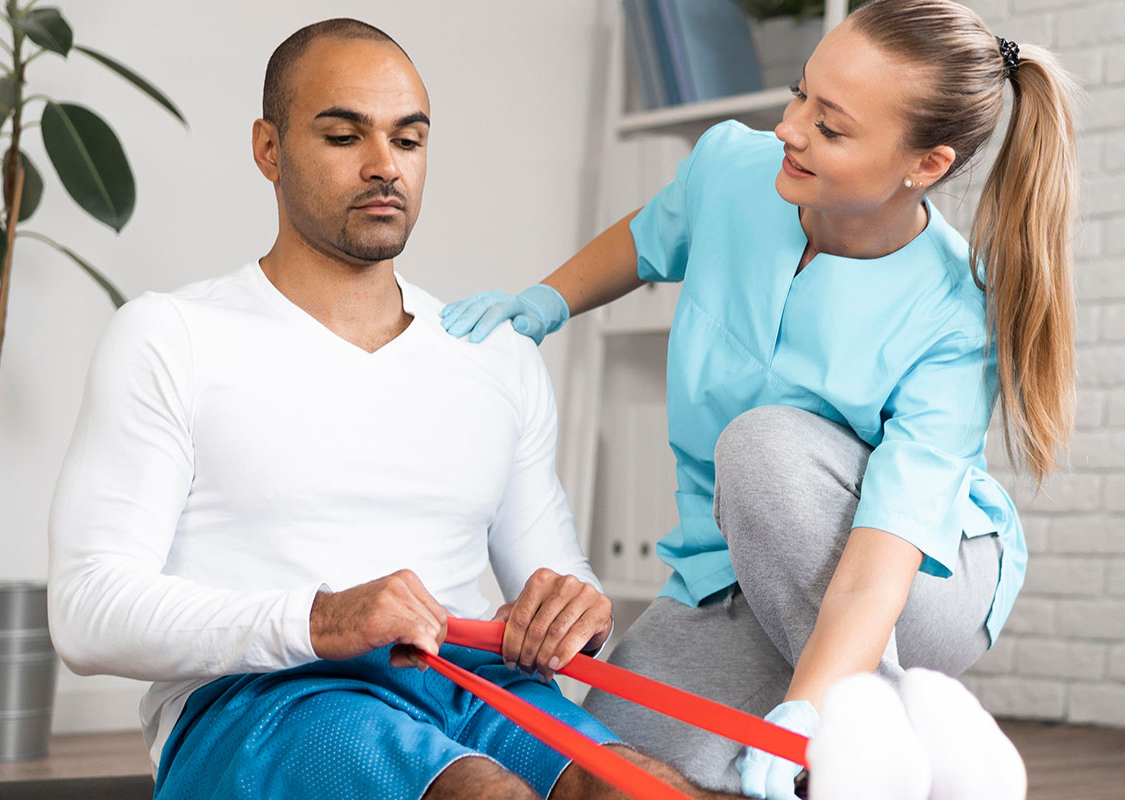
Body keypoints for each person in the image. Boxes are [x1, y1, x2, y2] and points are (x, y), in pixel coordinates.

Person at [47, 17, 765, 800]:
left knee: (640, 789)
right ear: (269, 149)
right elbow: (87, 612)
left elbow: (552, 573)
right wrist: (321, 619)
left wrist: (573, 608)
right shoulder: (170, 336)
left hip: (470, 683)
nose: (384, 165)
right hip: (261, 698)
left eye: (408, 139)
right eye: (343, 136)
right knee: (482, 794)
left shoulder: (494, 353)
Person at [441, 1, 1078, 797]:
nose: (790, 128)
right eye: (799, 92)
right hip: (731, 574)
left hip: (918, 580)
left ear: (926, 165)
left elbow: (879, 562)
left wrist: (813, 714)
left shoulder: (953, 319)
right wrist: (546, 301)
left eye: (830, 127)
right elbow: (648, 236)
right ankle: (879, 731)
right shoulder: (734, 170)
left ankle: (873, 726)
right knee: (604, 754)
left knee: (763, 446)